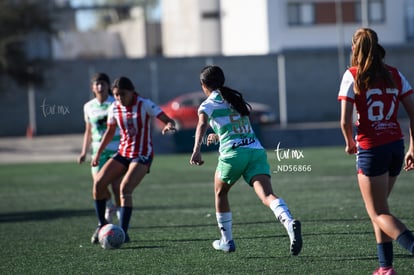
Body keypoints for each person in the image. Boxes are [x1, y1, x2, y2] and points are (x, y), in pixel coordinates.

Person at [190, 65, 302, 255]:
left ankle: (226, 241)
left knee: (220, 192)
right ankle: (289, 222)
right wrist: (218, 136)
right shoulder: (234, 99)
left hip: (234, 154)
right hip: (255, 150)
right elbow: (237, 126)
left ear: (203, 85)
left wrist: (196, 150)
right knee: (267, 195)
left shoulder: (207, 104)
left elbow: (201, 123)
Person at [338, 28, 414, 275]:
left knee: (378, 211)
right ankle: (385, 268)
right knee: (380, 210)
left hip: (372, 150)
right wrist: (413, 147)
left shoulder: (352, 74)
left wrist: (350, 141)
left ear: (354, 48)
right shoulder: (394, 74)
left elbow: (344, 120)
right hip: (395, 147)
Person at [90, 76, 176, 243]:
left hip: (142, 155)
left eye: (122, 94)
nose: (119, 98)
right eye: (115, 95)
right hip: (123, 153)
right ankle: (102, 224)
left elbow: (166, 119)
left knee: (124, 188)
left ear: (131, 91)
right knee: (98, 184)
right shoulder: (114, 107)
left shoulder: (144, 104)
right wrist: (98, 153)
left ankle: (122, 231)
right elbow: (109, 131)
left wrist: (169, 125)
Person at [78, 73, 121, 235]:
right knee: (98, 185)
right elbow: (88, 131)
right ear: (92, 87)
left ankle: (121, 214)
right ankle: (109, 206)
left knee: (117, 185)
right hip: (98, 152)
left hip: (116, 149)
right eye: (97, 84)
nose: (100, 87)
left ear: (108, 86)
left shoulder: (115, 103)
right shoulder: (88, 107)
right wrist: (84, 151)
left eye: (103, 83)